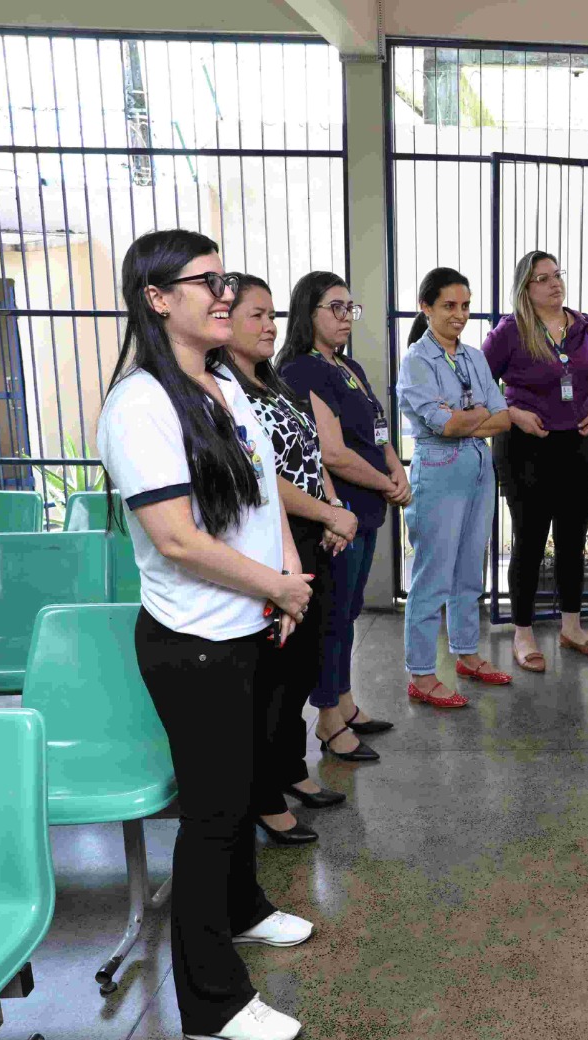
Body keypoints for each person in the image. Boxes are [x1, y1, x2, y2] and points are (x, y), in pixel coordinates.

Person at [97, 228, 314, 1040]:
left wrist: (286, 572)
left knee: (244, 785)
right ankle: (213, 1004)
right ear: (157, 299)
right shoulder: (141, 403)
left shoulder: (222, 379)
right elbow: (178, 539)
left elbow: (262, 492)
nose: (226, 294)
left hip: (246, 623)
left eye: (226, 279)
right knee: (213, 816)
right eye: (208, 281)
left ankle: (243, 907)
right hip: (194, 643)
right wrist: (274, 587)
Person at [220, 274, 358, 845]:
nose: (269, 326)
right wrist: (326, 514)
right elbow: (262, 477)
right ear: (224, 321)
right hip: (271, 539)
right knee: (275, 674)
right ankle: (265, 795)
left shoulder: (271, 381)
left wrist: (333, 509)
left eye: (273, 315)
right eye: (256, 315)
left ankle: (291, 769)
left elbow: (311, 454)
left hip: (310, 532)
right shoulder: (226, 391)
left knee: (304, 663)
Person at [277, 271, 406, 761]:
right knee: (332, 618)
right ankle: (328, 719)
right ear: (307, 312)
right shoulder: (301, 370)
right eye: (335, 307)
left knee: (349, 614)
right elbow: (331, 453)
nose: (346, 316)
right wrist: (387, 483)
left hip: (366, 508)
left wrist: (395, 467)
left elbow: (377, 429)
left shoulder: (347, 365)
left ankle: (346, 703)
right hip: (337, 513)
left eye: (350, 307)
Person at [483, 251, 588, 672]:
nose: (554, 283)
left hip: (579, 445)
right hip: (526, 447)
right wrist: (513, 413)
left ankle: (571, 627)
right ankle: (523, 633)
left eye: (557, 274)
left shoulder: (586, 328)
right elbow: (479, 384)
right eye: (542, 278)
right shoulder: (510, 331)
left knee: (572, 541)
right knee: (528, 541)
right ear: (525, 288)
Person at [397, 268, 514, 708]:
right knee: (433, 573)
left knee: (469, 569)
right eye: (449, 305)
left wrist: (466, 417)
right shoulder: (416, 361)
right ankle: (422, 673)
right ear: (425, 308)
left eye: (465, 306)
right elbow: (444, 426)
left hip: (479, 465)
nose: (459, 315)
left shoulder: (474, 357)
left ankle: (467, 653)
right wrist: (474, 414)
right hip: (439, 467)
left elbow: (504, 417)